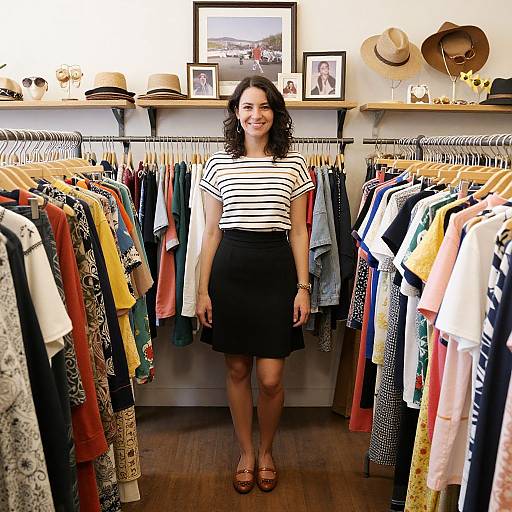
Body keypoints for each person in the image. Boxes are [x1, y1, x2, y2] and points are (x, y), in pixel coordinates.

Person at [197, 75, 313, 494]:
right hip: (230, 270)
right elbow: (210, 232)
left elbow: (299, 231)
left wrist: (303, 287)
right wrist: (202, 289)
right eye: (247, 106)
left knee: (269, 378)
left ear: (276, 113)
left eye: (264, 107)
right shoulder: (216, 164)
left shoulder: (295, 163)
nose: (255, 115)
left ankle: (268, 450)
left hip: (276, 270)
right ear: (235, 113)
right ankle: (247, 454)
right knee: (237, 367)